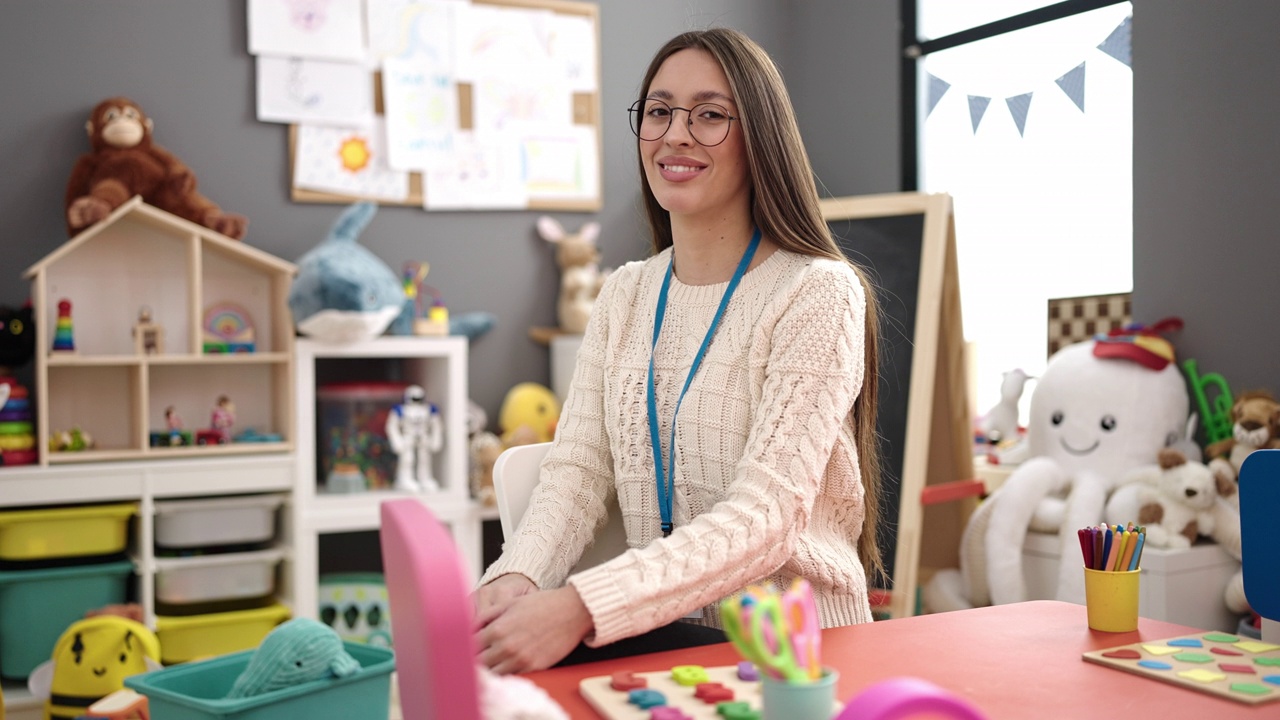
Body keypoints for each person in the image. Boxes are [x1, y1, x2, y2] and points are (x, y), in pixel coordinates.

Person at [473, 27, 885, 674]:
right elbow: (578, 470)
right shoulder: (626, 294)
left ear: (761, 138)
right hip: (662, 646)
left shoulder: (817, 294)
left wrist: (580, 605)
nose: (676, 134)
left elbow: (765, 519)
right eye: (659, 111)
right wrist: (516, 579)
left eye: (711, 115)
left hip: (798, 656)